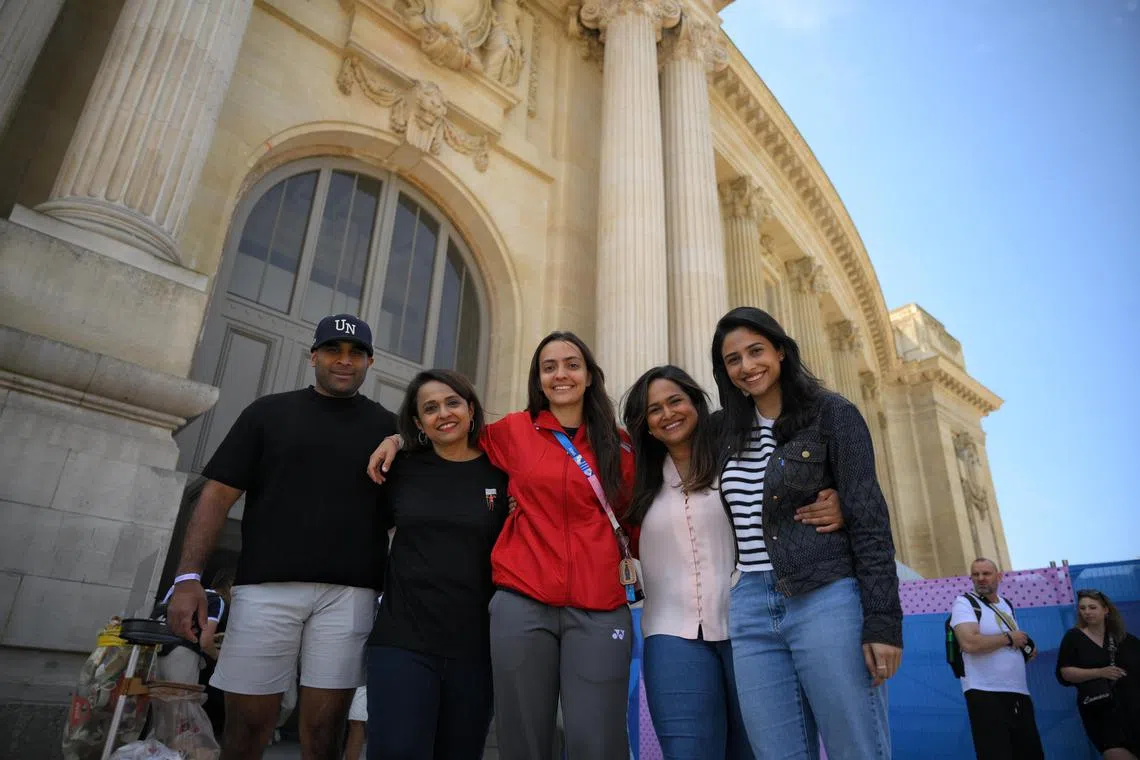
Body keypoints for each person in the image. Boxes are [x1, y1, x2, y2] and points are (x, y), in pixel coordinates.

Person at [369, 332, 636, 760]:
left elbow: (633, 517)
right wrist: (397, 439)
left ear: (589, 375)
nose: (561, 374)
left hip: (599, 604)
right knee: (523, 743)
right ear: (537, 378)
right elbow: (450, 435)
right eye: (549, 367)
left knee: (596, 742)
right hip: (523, 601)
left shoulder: (620, 445)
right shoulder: (512, 431)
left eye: (572, 364)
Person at [167, 313, 397, 760]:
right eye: (333, 350)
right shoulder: (267, 413)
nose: (344, 361)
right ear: (313, 356)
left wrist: (404, 441)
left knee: (324, 732)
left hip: (349, 596)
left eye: (356, 353)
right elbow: (216, 496)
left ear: (370, 363)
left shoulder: (386, 427)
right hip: (264, 590)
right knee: (247, 728)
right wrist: (187, 578)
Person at [620, 365, 845, 760]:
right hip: (670, 635)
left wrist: (838, 503)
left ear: (696, 404)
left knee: (757, 751)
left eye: (675, 401)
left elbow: (790, 497)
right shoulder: (634, 479)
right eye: (654, 409)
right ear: (646, 424)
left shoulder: (739, 461)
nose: (667, 413)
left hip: (749, 628)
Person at [710, 306, 903, 760]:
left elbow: (871, 522)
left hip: (825, 597)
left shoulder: (832, 414)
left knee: (856, 747)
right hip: (750, 607)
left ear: (780, 351)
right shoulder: (722, 432)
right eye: (733, 359)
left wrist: (883, 623)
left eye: (756, 351)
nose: (746, 366)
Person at [365, 370, 508, 759]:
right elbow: (368, 537)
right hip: (403, 643)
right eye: (430, 408)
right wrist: (394, 440)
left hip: (477, 650)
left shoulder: (502, 472)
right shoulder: (402, 469)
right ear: (417, 422)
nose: (443, 414)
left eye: (452, 403)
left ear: (471, 409)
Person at [950, 557, 1043, 760]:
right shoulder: (964, 603)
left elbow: (1010, 642)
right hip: (985, 691)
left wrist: (1025, 648)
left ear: (999, 576)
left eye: (986, 573)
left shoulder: (1006, 605)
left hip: (1019, 692)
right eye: (976, 574)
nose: (981, 578)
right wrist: (1010, 638)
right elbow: (969, 643)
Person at [1057, 589, 1140, 759]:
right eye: (1082, 608)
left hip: (1132, 708)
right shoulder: (1074, 637)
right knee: (1115, 753)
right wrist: (1099, 672)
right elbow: (1065, 673)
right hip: (1100, 710)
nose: (1087, 612)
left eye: (1092, 607)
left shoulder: (1125, 639)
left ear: (1106, 610)